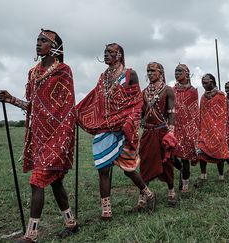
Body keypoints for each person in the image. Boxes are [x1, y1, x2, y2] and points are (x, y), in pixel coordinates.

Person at [0, 29, 77, 242]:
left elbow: (68, 108)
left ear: (55, 46)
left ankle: (31, 234)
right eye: (37, 40)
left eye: (43, 40)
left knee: (37, 181)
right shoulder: (33, 73)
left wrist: (64, 136)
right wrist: (11, 99)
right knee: (56, 182)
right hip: (39, 137)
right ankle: (71, 222)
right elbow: (32, 106)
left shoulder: (64, 71)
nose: (38, 43)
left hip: (59, 135)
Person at [76, 43, 155, 218]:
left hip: (122, 128)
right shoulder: (103, 77)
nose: (106, 55)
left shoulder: (130, 74)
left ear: (119, 55)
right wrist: (78, 112)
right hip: (104, 127)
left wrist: (129, 123)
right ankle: (106, 212)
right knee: (102, 168)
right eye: (105, 52)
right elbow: (95, 99)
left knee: (128, 169)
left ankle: (148, 193)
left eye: (110, 52)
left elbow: (136, 102)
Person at [139, 62, 178, 207]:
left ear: (160, 72)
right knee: (145, 162)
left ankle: (171, 192)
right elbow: (141, 113)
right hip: (148, 131)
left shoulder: (168, 90)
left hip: (162, 131)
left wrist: (171, 132)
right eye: (148, 71)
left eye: (152, 71)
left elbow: (171, 112)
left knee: (167, 162)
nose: (149, 73)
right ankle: (143, 195)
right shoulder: (144, 92)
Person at [196, 74, 229, 185]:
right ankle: (203, 175)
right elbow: (202, 113)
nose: (204, 85)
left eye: (206, 83)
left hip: (218, 130)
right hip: (205, 130)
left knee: (219, 154)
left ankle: (221, 176)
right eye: (203, 83)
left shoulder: (221, 96)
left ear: (213, 82)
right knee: (201, 151)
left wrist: (219, 129)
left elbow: (224, 114)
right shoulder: (203, 97)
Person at [172, 64, 199, 195]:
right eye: (175, 71)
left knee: (185, 157)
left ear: (187, 73)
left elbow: (194, 111)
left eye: (179, 71)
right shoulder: (172, 90)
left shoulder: (193, 91)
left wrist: (193, 130)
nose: (176, 73)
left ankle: (185, 184)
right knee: (170, 155)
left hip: (188, 128)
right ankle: (181, 170)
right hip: (174, 127)